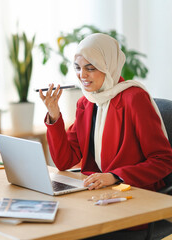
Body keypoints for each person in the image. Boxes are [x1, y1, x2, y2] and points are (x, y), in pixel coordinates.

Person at [39, 33, 172, 192]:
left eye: (90, 68)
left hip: (135, 190)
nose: (82, 75)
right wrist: (54, 116)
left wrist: (115, 176)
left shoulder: (134, 98)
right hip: (99, 190)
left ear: (108, 67)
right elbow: (64, 162)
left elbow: (163, 160)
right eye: (78, 67)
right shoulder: (86, 102)